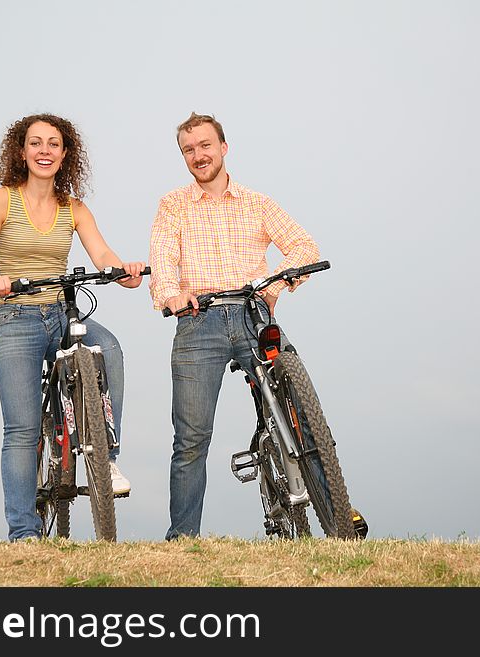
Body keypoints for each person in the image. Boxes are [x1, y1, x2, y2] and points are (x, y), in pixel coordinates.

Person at [0, 113, 146, 542]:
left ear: (66, 154)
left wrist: (125, 271)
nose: (44, 150)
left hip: (62, 314)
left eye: (53, 143)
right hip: (17, 319)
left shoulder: (74, 207)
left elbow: (103, 255)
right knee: (22, 431)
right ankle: (24, 533)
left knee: (110, 348)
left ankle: (107, 456)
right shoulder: (1, 200)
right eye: (36, 143)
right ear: (22, 151)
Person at [149, 112, 320, 540]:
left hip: (251, 313)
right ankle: (183, 540)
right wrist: (171, 295)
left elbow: (303, 245)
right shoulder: (173, 204)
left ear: (223, 148)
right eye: (189, 150)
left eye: (205, 146)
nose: (198, 155)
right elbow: (164, 259)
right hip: (198, 320)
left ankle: (338, 518)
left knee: (303, 417)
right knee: (191, 438)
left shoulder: (257, 203)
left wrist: (278, 285)